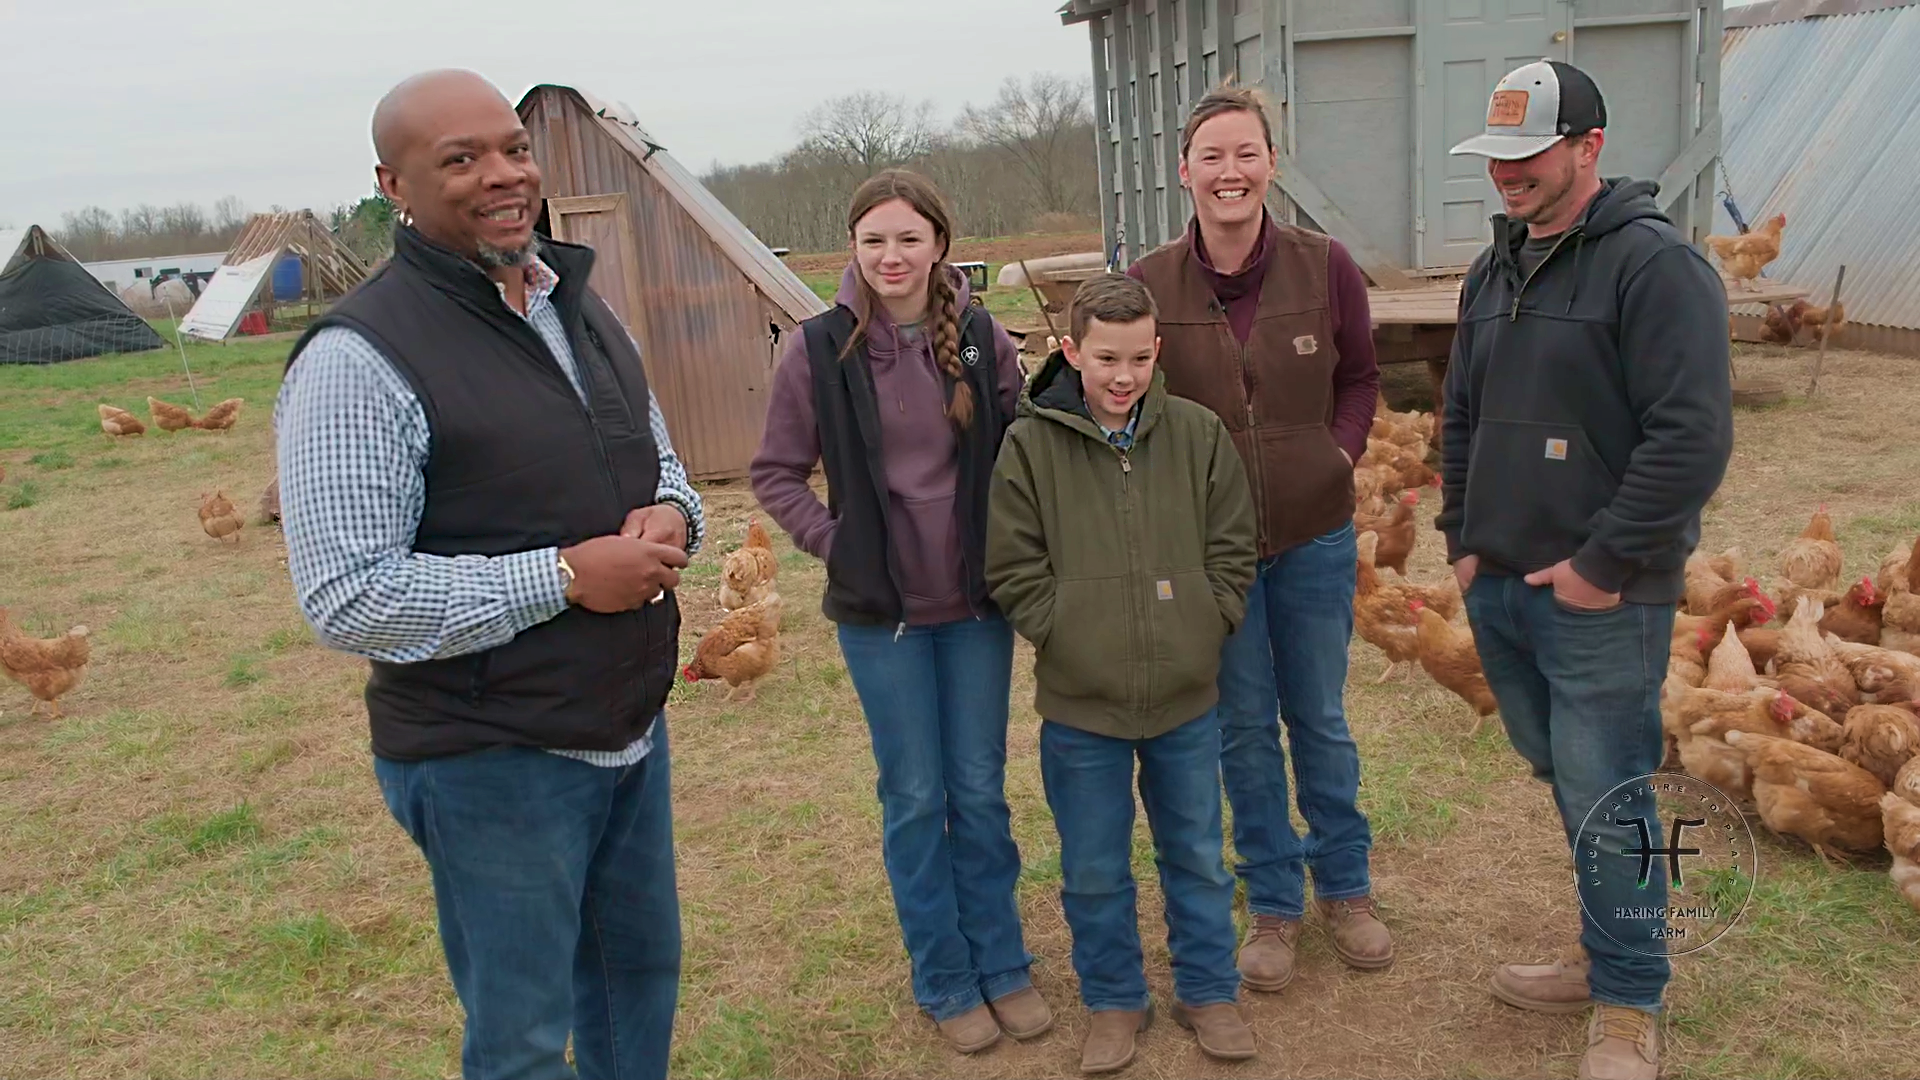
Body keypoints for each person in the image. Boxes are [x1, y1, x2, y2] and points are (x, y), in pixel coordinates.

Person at [275, 70, 700, 1080]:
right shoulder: (357, 358)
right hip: (488, 759)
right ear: (396, 185)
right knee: (519, 1036)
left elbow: (665, 462)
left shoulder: (579, 305)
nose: (504, 175)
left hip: (627, 728)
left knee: (637, 982)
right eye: (460, 160)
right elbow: (346, 595)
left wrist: (672, 514)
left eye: (513, 148)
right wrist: (561, 577)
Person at [1439, 60, 1733, 1080]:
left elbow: (1691, 439)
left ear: (1588, 149)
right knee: (1571, 785)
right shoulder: (1495, 269)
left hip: (1603, 601)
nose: (1507, 178)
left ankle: (1629, 999)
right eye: (1498, 160)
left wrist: (1604, 564)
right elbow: (1462, 414)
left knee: (1614, 799)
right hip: (1504, 592)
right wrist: (1460, 538)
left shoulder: (1655, 270)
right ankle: (1607, 948)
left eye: (1527, 158)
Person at [749, 169, 1045, 1054]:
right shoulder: (815, 349)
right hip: (884, 617)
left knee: (982, 793)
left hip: (976, 606)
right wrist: (838, 542)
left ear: (939, 247)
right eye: (873, 240)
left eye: (908, 239)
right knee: (917, 797)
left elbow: (1022, 443)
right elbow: (774, 473)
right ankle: (945, 976)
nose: (891, 256)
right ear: (853, 247)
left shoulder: (983, 336)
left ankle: (1003, 965)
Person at [1128, 82, 1389, 990]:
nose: (1229, 171)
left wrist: (1335, 456)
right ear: (1186, 171)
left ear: (1271, 163)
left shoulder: (1327, 267)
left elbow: (1359, 378)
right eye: (1212, 156)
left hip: (1315, 535)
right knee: (1242, 726)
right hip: (1216, 554)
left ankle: (1346, 889)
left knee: (1317, 716)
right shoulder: (1148, 286)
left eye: (1246, 153)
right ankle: (1272, 904)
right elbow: (1129, 402)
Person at [987, 274, 1258, 1074]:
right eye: (1106, 357)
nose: (1123, 375)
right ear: (1071, 351)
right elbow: (1013, 566)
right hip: (1082, 711)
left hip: (1185, 703)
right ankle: (1113, 999)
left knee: (1199, 855)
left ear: (1157, 353)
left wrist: (1207, 622)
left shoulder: (1198, 434)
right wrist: (1067, 635)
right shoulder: (1029, 445)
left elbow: (1233, 548)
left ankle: (1208, 990)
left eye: (1139, 357)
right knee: (1095, 866)